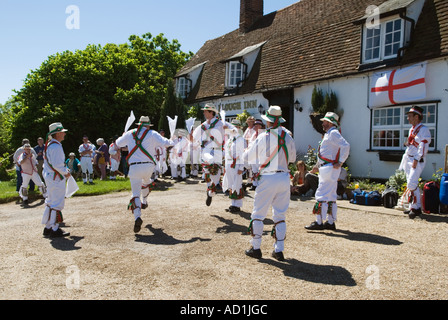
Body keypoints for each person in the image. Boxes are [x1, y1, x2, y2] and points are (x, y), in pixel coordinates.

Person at [243, 106, 296, 261]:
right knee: (280, 214)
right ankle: (278, 250)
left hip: (267, 177)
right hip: (284, 178)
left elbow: (247, 158)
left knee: (258, 213)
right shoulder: (288, 136)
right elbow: (292, 158)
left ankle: (256, 248)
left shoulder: (262, 137)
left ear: (268, 121)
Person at [115, 116, 174, 233]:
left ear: (138, 124)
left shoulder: (130, 133)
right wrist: (172, 139)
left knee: (135, 193)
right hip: (148, 166)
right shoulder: (152, 133)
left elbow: (118, 143)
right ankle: (145, 201)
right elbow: (166, 143)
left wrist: (124, 135)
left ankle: (137, 217)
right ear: (148, 125)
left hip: (134, 167)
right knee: (147, 183)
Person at [305, 112, 350, 231]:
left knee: (321, 194)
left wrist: (340, 162)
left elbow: (346, 146)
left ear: (329, 123)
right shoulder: (330, 134)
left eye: (324, 122)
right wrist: (316, 166)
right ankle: (330, 222)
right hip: (328, 167)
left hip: (329, 168)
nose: (322, 124)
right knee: (330, 195)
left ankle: (319, 222)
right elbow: (325, 153)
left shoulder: (333, 133)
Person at [398, 106, 431, 219]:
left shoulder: (423, 129)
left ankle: (416, 207)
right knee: (411, 184)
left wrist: (417, 159)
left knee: (411, 183)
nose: (408, 118)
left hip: (416, 160)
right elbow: (413, 143)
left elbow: (423, 145)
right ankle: (414, 207)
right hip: (409, 158)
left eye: (410, 116)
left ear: (417, 117)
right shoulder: (411, 129)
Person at [191, 103, 225, 207]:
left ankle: (211, 191)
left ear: (211, 112)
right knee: (208, 168)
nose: (204, 113)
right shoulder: (202, 125)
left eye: (206, 111)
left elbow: (225, 135)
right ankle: (210, 187)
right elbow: (194, 137)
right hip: (206, 150)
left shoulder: (220, 124)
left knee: (216, 173)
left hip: (218, 150)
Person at [42, 122, 71, 238]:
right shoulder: (55, 146)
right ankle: (54, 228)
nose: (64, 134)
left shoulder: (50, 145)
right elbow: (57, 165)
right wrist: (66, 172)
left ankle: (48, 227)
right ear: (57, 133)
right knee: (57, 202)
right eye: (62, 132)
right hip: (55, 177)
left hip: (50, 176)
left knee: (51, 201)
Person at [222, 119, 246, 213]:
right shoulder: (230, 139)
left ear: (239, 128)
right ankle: (233, 204)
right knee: (231, 184)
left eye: (236, 127)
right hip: (229, 164)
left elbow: (242, 154)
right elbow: (226, 152)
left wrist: (241, 167)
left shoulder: (240, 139)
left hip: (236, 164)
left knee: (237, 184)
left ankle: (238, 205)